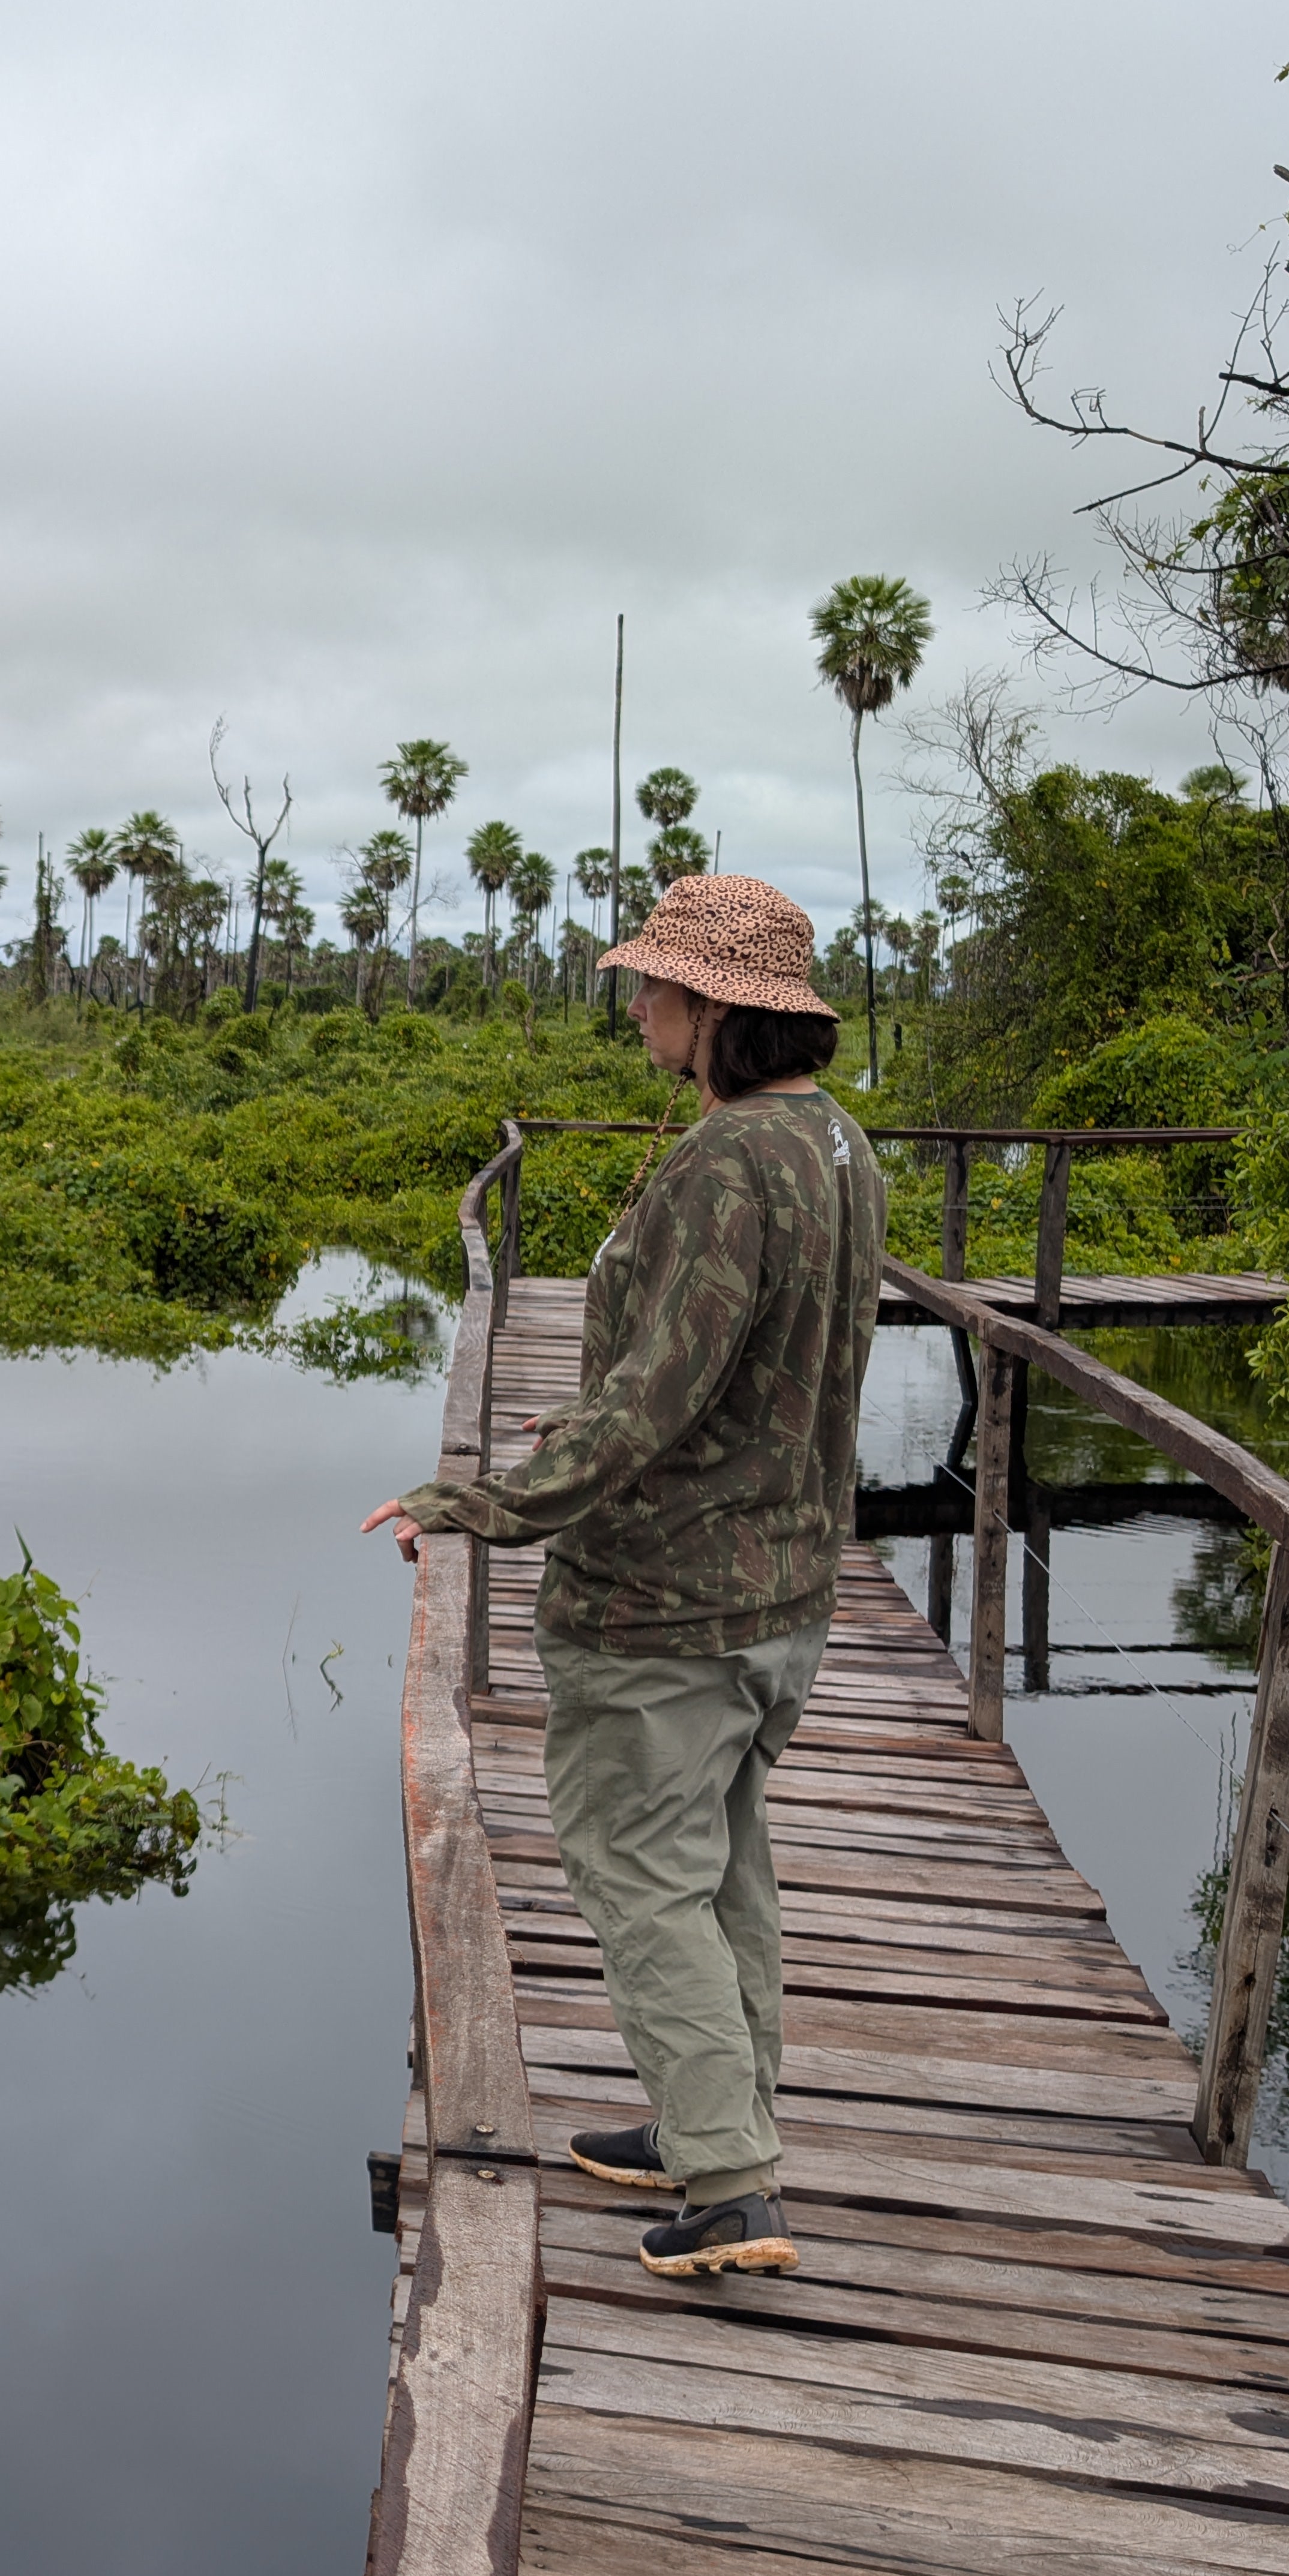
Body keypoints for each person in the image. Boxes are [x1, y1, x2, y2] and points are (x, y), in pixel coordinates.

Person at [360, 872, 881, 2278]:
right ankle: (708, 2109)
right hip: (779, 1591)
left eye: (656, 986)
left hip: (674, 1608)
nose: (637, 1003)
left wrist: (472, 1498)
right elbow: (727, 1369)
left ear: (721, 1012)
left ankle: (729, 2187)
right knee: (724, 1873)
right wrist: (593, 1413)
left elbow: (658, 1396)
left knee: (645, 1876)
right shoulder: (832, 1144)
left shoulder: (727, 1166)